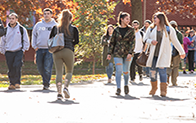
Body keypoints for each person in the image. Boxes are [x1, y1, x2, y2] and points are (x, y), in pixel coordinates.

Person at [144, 12, 185, 97]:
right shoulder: (151, 28)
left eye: (155, 18)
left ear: (161, 19)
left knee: (162, 72)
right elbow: (145, 39)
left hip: (163, 54)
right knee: (152, 72)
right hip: (153, 54)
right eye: (153, 18)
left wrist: (182, 52)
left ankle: (163, 90)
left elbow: (175, 41)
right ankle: (153, 88)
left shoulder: (169, 29)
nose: (154, 20)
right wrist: (151, 41)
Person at [49, 9, 79, 99]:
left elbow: (50, 39)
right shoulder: (74, 29)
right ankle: (65, 87)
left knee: (58, 72)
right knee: (69, 71)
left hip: (57, 52)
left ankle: (59, 93)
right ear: (70, 18)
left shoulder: (55, 28)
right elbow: (76, 41)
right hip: (68, 51)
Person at [107, 12, 135, 95]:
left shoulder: (131, 30)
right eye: (127, 19)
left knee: (126, 71)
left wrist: (130, 52)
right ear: (121, 19)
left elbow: (133, 42)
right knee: (118, 70)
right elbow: (112, 42)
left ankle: (126, 85)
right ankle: (118, 88)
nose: (128, 20)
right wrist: (109, 53)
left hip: (127, 53)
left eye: (129, 19)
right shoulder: (116, 30)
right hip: (117, 53)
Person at [0, 13, 30, 89]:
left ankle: (17, 82)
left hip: (18, 51)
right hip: (9, 51)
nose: (11, 20)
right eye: (10, 18)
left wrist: (24, 49)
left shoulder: (21, 29)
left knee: (17, 66)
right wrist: (3, 50)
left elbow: (26, 40)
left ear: (16, 19)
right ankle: (12, 83)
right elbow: (2, 41)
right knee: (10, 68)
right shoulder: (5, 30)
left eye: (13, 18)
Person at [32, 8, 57, 90]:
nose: (46, 15)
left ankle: (46, 83)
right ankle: (45, 80)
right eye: (45, 14)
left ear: (51, 15)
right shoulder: (38, 25)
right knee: (40, 67)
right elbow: (34, 36)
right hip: (39, 49)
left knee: (47, 67)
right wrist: (34, 46)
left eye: (48, 13)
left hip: (49, 50)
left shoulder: (55, 25)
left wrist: (55, 47)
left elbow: (57, 37)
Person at [166, 21, 183, 86]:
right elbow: (181, 44)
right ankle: (174, 82)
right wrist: (182, 52)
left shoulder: (167, 32)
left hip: (168, 51)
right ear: (176, 26)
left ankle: (167, 78)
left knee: (168, 66)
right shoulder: (179, 34)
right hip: (176, 52)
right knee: (176, 67)